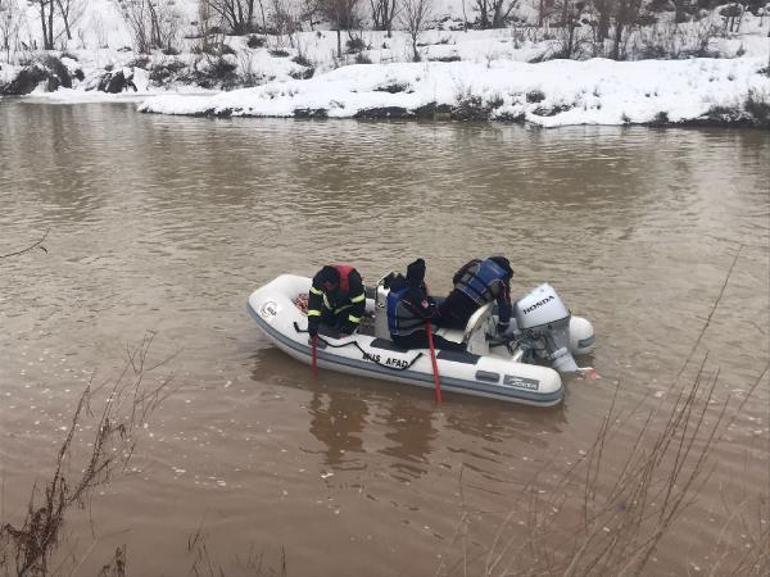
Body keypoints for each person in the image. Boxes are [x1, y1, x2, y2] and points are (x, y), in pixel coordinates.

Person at [387, 258, 465, 351]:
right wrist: (431, 301)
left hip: (398, 334)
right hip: (407, 338)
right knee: (440, 341)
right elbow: (431, 314)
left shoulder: (401, 287)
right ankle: (462, 349)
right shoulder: (413, 294)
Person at [437, 256, 514, 334]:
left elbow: (456, 279)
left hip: (448, 305)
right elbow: (505, 306)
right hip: (466, 318)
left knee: (438, 316)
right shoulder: (503, 281)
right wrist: (502, 327)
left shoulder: (475, 263)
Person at [307, 264, 366, 338]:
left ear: (337, 282)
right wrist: (313, 321)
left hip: (348, 304)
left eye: (330, 286)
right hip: (331, 302)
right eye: (326, 286)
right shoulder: (319, 279)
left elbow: (359, 306)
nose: (328, 288)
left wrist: (349, 327)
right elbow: (314, 299)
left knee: (341, 325)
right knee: (323, 322)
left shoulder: (353, 281)